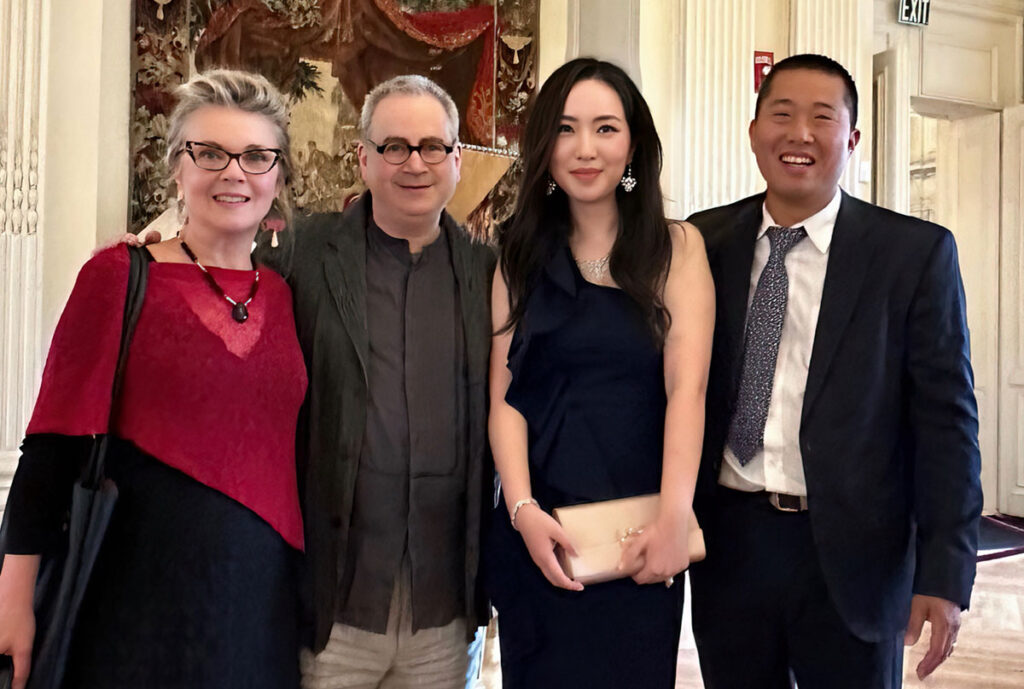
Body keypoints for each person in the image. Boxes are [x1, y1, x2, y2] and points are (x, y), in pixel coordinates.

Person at [0, 69, 307, 689]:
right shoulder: (117, 276)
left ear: (279, 175)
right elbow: (51, 447)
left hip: (260, 601)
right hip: (132, 596)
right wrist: (12, 601)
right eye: (210, 152)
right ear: (176, 167)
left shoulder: (285, 292)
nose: (234, 172)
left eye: (255, 155)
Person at [686, 53, 983, 689]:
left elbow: (946, 424)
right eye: (782, 115)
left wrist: (945, 571)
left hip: (856, 557)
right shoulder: (701, 243)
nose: (799, 134)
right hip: (730, 544)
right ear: (754, 132)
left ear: (850, 140)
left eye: (822, 118)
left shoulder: (912, 255)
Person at [255, 75, 495, 689]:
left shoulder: (489, 273)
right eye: (394, 146)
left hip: (442, 609)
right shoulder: (301, 256)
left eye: (431, 147)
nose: (414, 163)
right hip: (336, 603)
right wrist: (161, 245)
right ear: (363, 157)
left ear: (456, 159)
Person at [487, 57, 715, 688]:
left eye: (605, 128)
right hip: (544, 532)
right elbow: (505, 399)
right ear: (544, 146)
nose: (585, 149)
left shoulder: (677, 248)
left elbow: (686, 390)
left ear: (633, 143)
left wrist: (675, 516)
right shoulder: (518, 254)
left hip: (639, 533)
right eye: (565, 129)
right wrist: (524, 511)